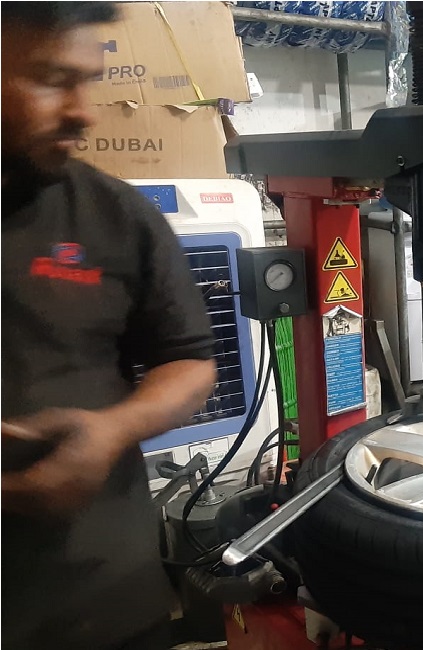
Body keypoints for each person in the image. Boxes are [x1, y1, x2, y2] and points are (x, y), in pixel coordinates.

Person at [1, 3, 218, 648]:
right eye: (51, 79)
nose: (83, 111)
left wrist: (112, 429)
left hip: (100, 603)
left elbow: (189, 361)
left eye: (87, 80)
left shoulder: (116, 217)